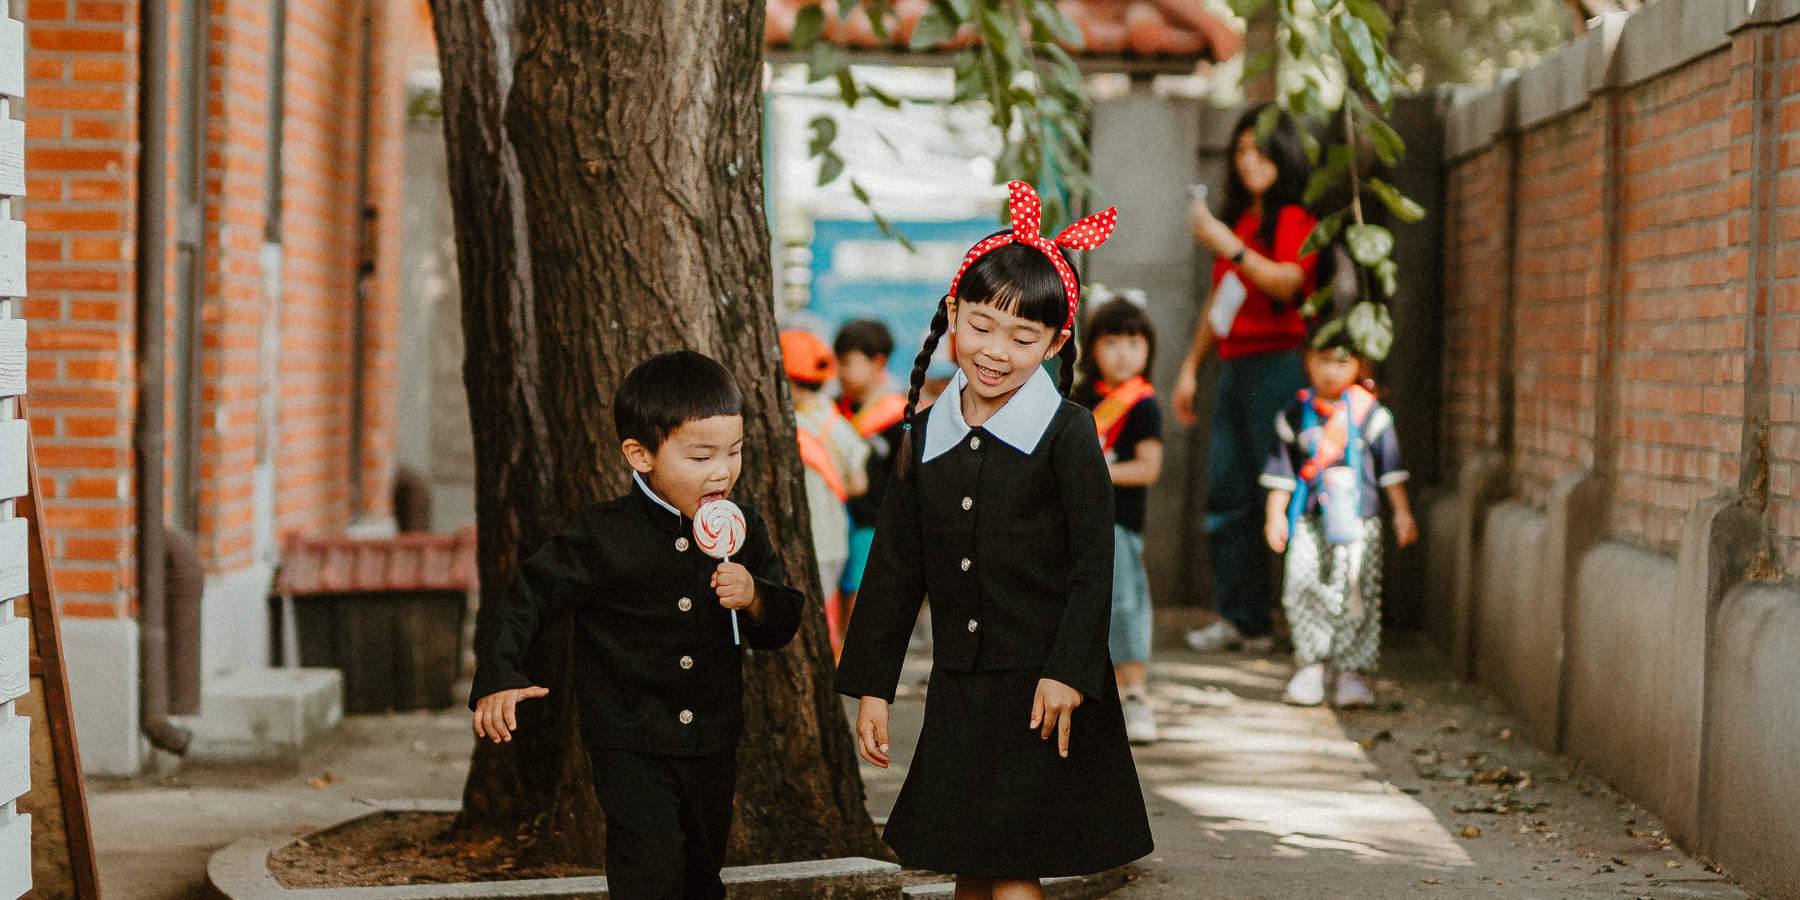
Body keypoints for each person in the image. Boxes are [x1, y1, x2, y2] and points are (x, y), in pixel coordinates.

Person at [835, 182, 1153, 896]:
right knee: (971, 866)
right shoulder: (924, 434)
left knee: (1012, 869)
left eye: (1023, 337)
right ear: (953, 313)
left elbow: (1094, 567)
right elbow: (895, 567)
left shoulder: (1068, 433)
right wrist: (873, 687)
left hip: (1044, 691)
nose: (996, 352)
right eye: (981, 326)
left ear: (1057, 342)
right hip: (960, 690)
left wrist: (1069, 673)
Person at [468, 350, 805, 899]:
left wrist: (754, 598)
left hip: (712, 737)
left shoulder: (744, 529)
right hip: (628, 740)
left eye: (735, 451)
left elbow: (781, 626)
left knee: (702, 872)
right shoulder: (603, 535)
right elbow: (528, 597)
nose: (722, 470)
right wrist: (499, 674)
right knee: (648, 867)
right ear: (640, 455)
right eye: (701, 456)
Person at [1174, 103, 1318, 654]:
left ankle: (1310, 626)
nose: (1249, 160)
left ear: (1284, 153)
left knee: (1285, 494)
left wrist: (1227, 244)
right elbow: (1222, 300)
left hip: (1280, 368)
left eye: (1261, 150)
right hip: (1234, 369)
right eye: (1240, 150)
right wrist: (1191, 368)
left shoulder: (1294, 219)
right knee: (1226, 493)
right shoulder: (1242, 223)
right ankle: (1244, 621)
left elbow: (1287, 282)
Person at [1260, 335, 1417, 707]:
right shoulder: (1293, 415)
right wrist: (1274, 514)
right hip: (1309, 519)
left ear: (1360, 366)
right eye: (1323, 360)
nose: (1331, 371)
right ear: (1307, 361)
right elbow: (1282, 472)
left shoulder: (1372, 415)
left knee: (1356, 593)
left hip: (1359, 523)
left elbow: (1390, 471)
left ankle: (1352, 672)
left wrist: (1402, 512)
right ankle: (1311, 665)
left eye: (1342, 362)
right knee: (1302, 584)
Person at [1073, 296, 1164, 744]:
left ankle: (1134, 695)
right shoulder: (1078, 399)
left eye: (1133, 342)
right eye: (1111, 342)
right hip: (1074, 524)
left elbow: (1148, 468)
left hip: (1119, 525)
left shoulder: (1143, 405)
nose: (1123, 353)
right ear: (1091, 347)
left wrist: (1092, 471)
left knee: (1125, 606)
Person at [781, 328, 869, 653]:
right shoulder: (834, 420)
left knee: (808, 614)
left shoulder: (786, 424)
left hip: (805, 539)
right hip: (835, 538)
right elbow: (858, 483)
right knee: (827, 609)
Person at [832, 319, 906, 612]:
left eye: (847, 363)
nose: (839, 372)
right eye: (837, 362)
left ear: (878, 363)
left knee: (861, 599)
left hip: (873, 526)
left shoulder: (901, 419)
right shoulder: (834, 410)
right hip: (837, 519)